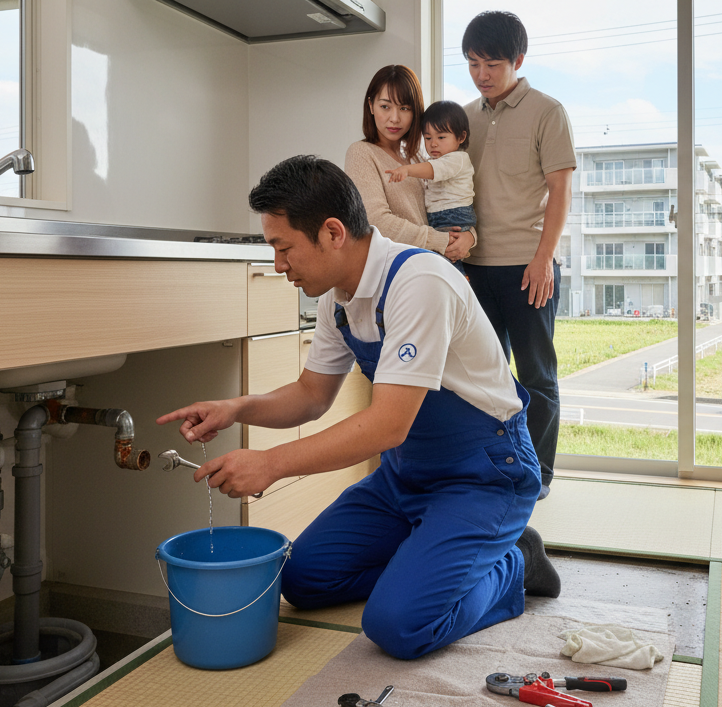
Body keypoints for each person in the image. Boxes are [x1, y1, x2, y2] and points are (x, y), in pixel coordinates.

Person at [156, 155, 561, 661]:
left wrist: (270, 464)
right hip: (405, 478)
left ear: (332, 232)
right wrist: (235, 408)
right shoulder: (339, 300)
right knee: (302, 579)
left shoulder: (419, 284)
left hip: (482, 477)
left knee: (399, 626)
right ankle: (430, 556)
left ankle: (514, 563)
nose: (279, 266)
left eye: (284, 249)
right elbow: (310, 395)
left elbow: (388, 424)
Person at [460, 12, 576, 501]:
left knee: (537, 375)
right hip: (472, 267)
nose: (482, 74)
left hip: (529, 267)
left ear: (518, 61)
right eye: (472, 63)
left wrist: (544, 257)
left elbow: (560, 188)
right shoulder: (463, 116)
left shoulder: (547, 111)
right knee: (482, 377)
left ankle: (539, 475)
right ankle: (492, 470)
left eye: (492, 64)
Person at [345, 65, 475, 272]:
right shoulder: (361, 153)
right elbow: (377, 222)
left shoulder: (418, 157)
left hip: (428, 268)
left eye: (404, 108)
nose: (394, 118)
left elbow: (450, 201)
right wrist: (441, 241)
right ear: (371, 106)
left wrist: (469, 236)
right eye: (385, 106)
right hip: (393, 273)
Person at [386, 100, 476, 274]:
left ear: (461, 137)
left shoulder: (458, 159)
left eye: (441, 137)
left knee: (448, 257)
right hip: (442, 216)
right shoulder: (437, 159)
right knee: (444, 257)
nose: (433, 144)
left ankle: (460, 280)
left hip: (453, 215)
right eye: (427, 138)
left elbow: (432, 171)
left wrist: (407, 170)